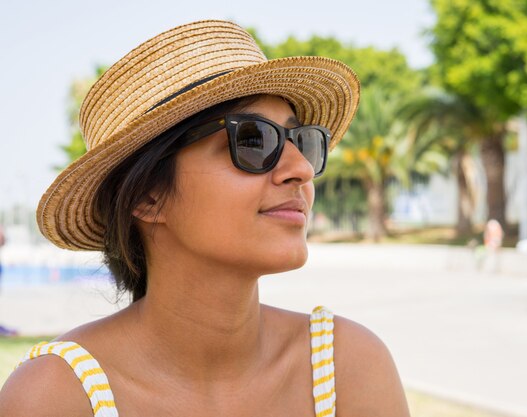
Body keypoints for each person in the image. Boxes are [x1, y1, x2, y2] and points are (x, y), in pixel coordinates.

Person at [0, 20, 410, 416]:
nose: (301, 168)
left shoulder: (347, 369)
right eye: (253, 139)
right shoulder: (57, 397)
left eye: (301, 140)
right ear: (147, 195)